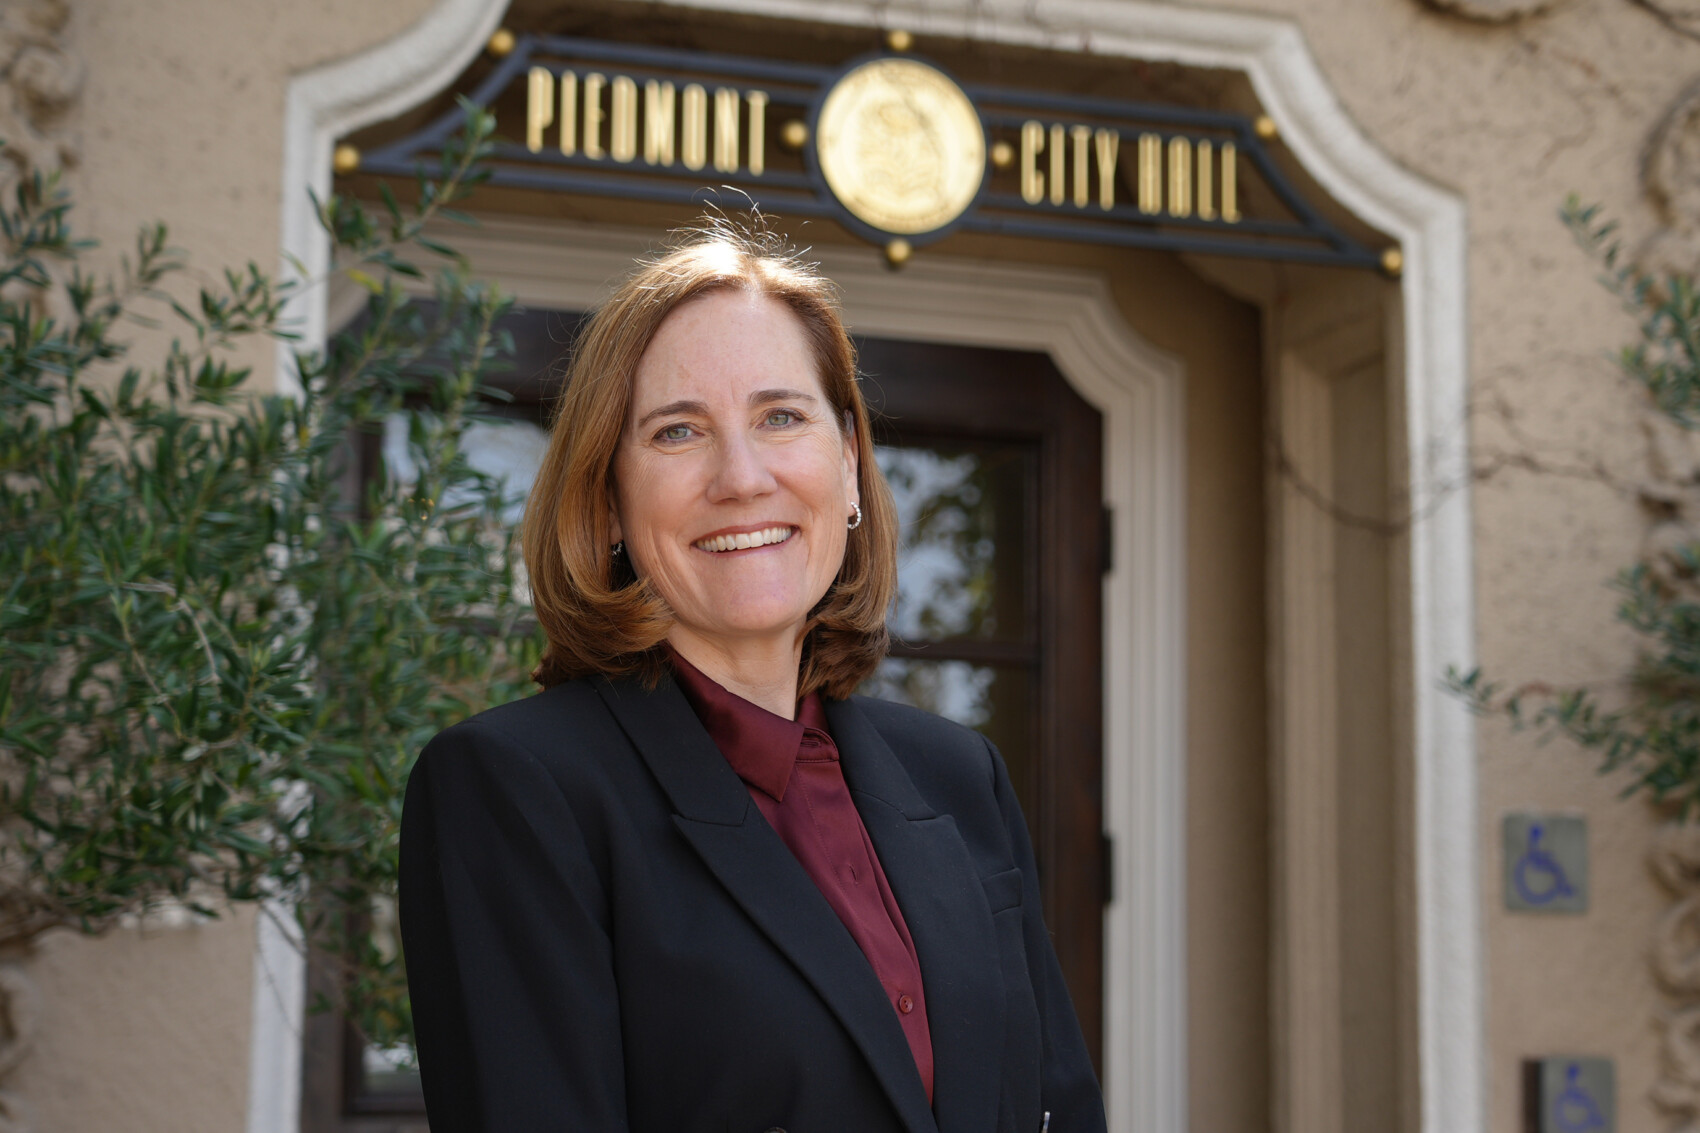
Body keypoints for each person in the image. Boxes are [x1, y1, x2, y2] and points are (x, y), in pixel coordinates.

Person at [398, 219, 1106, 1133]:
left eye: (781, 416)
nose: (741, 477)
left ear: (848, 465)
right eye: (679, 430)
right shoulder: (515, 792)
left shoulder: (959, 775)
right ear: (609, 499)